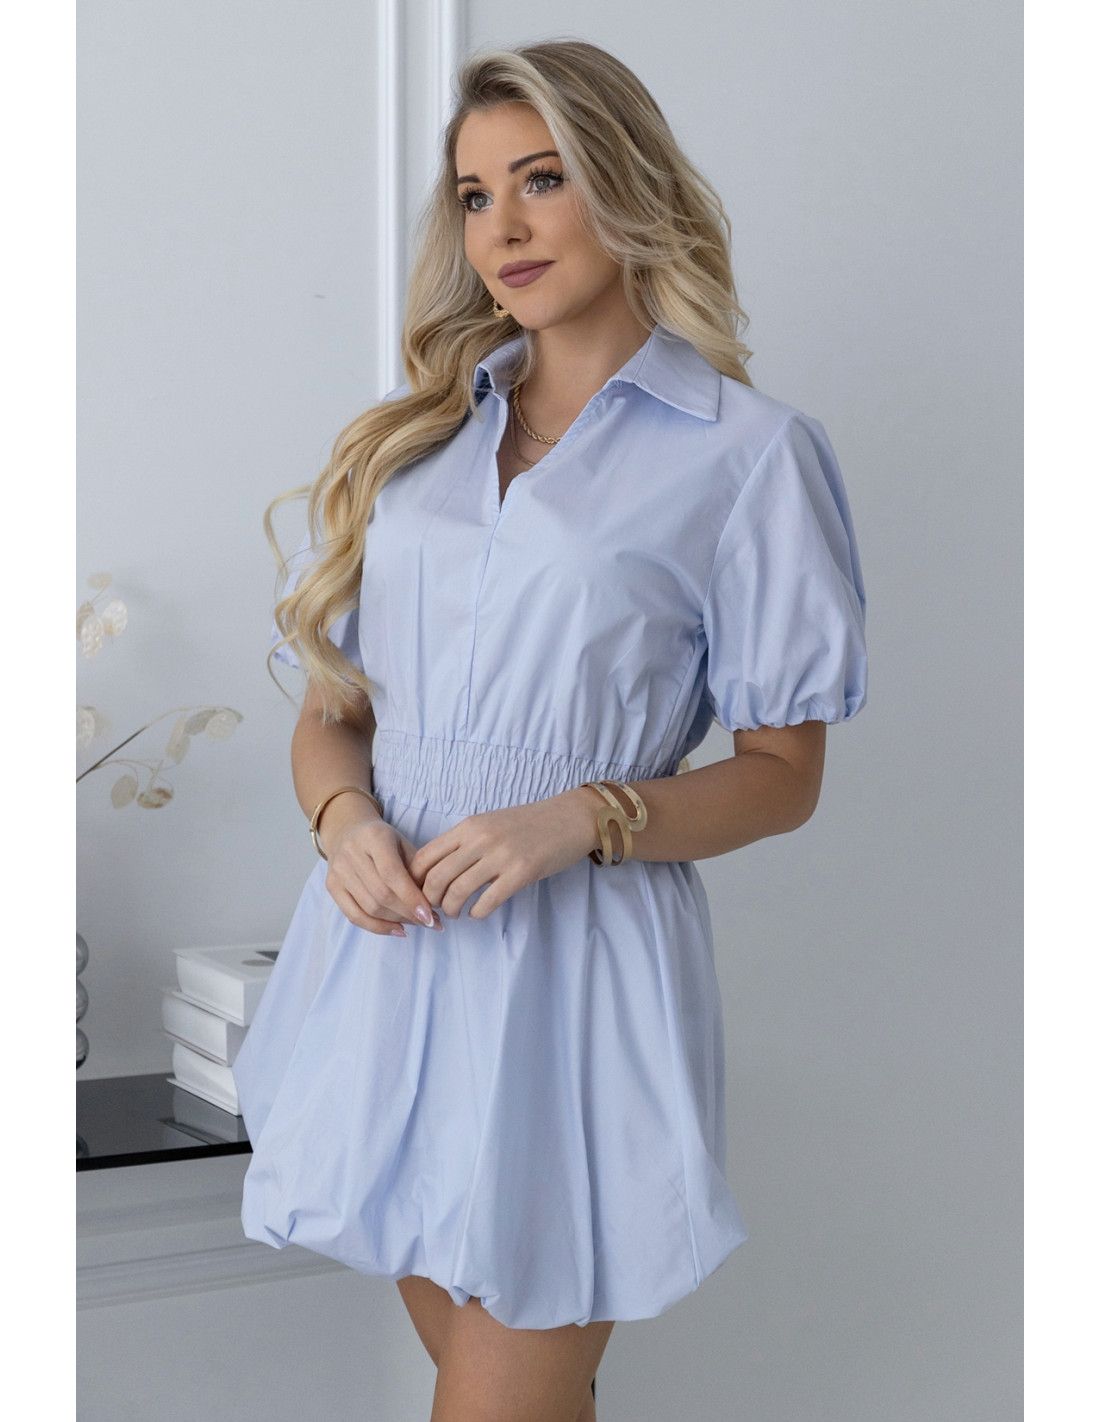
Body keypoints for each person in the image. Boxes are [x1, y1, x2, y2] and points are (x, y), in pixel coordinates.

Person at [232, 37, 867, 1422]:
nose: (503, 228)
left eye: (541, 180)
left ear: (626, 184)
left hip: (578, 975)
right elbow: (335, 716)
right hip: (390, 959)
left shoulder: (746, 453)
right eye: (475, 196)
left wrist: (583, 816)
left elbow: (784, 775)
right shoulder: (416, 443)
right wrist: (344, 822)